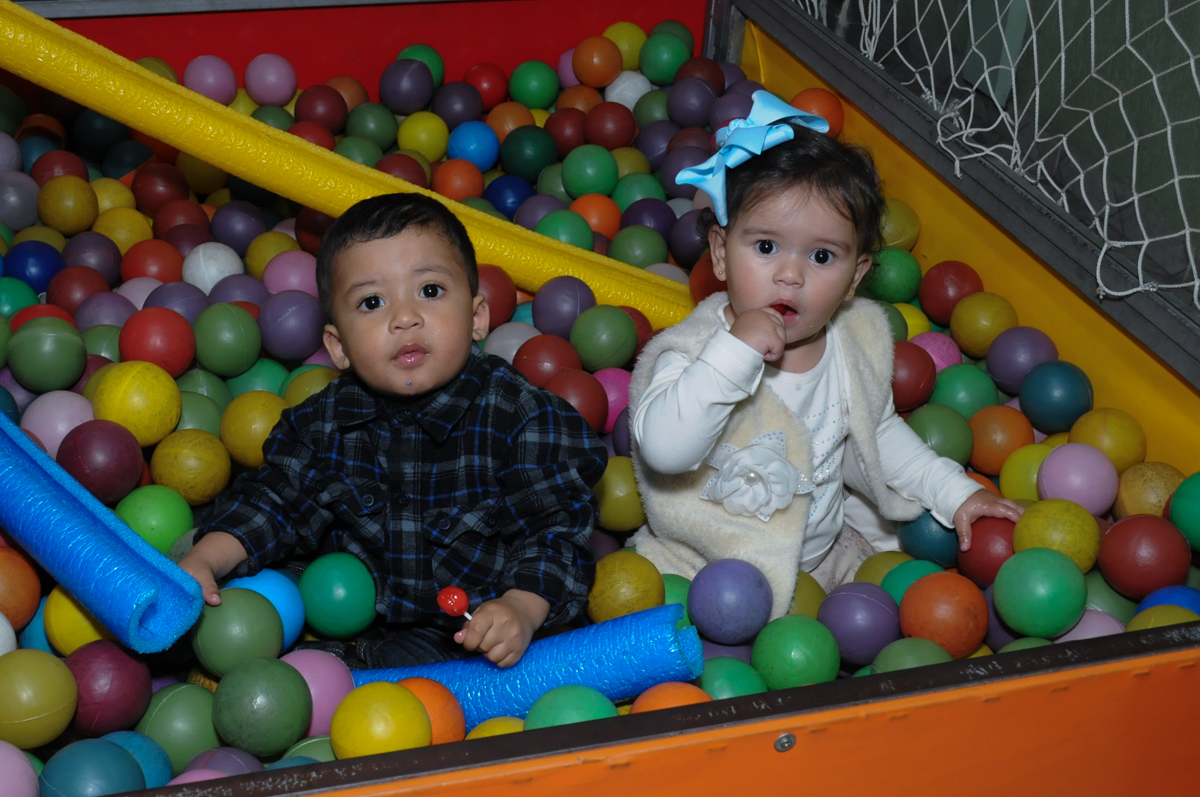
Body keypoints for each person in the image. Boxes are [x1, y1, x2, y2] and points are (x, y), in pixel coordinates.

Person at [628, 92, 1022, 619]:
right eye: (765, 247)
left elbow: (877, 437)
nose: (790, 275)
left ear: (855, 277)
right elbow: (665, 451)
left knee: (890, 608)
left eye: (821, 256)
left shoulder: (851, 343)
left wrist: (955, 492)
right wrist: (734, 352)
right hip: (702, 567)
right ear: (720, 253)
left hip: (821, 561)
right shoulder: (695, 351)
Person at [179, 193, 607, 668]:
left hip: (466, 633)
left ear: (477, 317)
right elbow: (274, 501)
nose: (404, 318)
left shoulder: (522, 417)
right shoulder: (323, 423)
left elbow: (554, 529)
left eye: (430, 291)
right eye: (372, 302)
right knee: (243, 607)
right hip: (342, 609)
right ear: (338, 347)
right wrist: (205, 559)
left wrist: (521, 608)